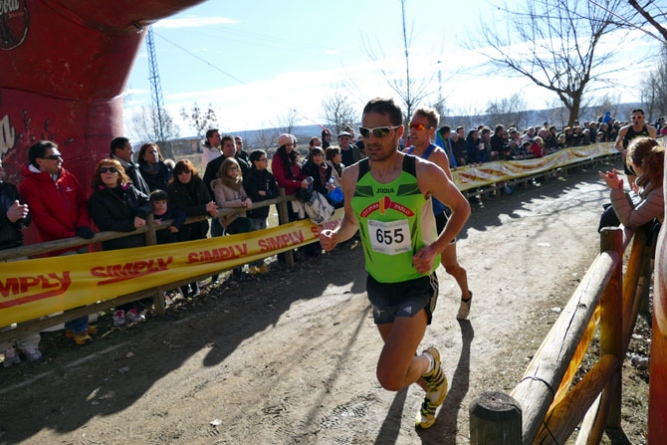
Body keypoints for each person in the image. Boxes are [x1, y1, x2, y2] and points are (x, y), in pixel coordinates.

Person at [319, 97, 471, 430]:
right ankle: (434, 387)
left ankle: (430, 363)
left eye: (381, 132)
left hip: (416, 282)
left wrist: (435, 248)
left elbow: (462, 208)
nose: (371, 139)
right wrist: (334, 235)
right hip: (378, 285)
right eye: (365, 132)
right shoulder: (352, 176)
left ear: (399, 132)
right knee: (400, 366)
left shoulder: (422, 171)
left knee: (389, 376)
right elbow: (350, 222)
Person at [18, 141, 96, 346]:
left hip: (79, 238)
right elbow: (41, 217)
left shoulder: (67, 176)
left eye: (59, 155)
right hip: (58, 244)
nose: (60, 159)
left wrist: (82, 226)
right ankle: (80, 329)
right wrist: (69, 236)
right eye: (54, 157)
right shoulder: (28, 185)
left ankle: (73, 326)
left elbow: (81, 203)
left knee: (81, 283)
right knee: (75, 286)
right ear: (40, 161)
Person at [405, 107, 473, 320]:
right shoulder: (406, 154)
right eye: (411, 125)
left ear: (431, 131)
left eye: (418, 126)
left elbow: (450, 195)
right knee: (415, 267)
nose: (412, 130)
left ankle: (466, 295)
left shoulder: (436, 155)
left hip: (437, 219)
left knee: (450, 267)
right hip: (415, 221)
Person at [88, 158, 152, 326]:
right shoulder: (97, 198)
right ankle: (120, 310)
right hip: (115, 246)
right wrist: (132, 225)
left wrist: (140, 214)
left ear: (119, 173)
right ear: (99, 175)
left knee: (137, 277)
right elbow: (106, 224)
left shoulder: (129, 189)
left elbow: (147, 201)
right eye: (103, 170)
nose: (108, 173)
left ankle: (135, 308)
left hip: (136, 243)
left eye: (112, 169)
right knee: (121, 280)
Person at [1, 158, 40, 365]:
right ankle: (7, 348)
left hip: (17, 251)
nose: (0, 168)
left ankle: (29, 344)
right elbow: (7, 218)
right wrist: (6, 218)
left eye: (0, 164)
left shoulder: (9, 188)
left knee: (26, 300)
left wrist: (23, 217)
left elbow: (23, 222)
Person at [167, 159, 218, 296]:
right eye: (180, 173)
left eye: (186, 171)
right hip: (183, 231)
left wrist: (211, 210)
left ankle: (199, 285)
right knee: (185, 260)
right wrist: (204, 208)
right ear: (176, 174)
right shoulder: (172, 188)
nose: (184, 175)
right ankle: (187, 289)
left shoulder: (199, 183)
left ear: (191, 171)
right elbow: (182, 209)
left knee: (200, 258)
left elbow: (208, 201)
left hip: (200, 228)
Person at [599, 137, 664, 231]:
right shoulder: (659, 179)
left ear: (635, 165)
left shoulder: (658, 190)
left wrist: (615, 190)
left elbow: (629, 221)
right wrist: (643, 193)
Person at [211, 157, 253, 279]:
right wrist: (240, 203)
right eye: (230, 169)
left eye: (235, 168)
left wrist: (248, 199)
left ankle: (238, 270)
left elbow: (244, 196)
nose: (233, 171)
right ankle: (236, 269)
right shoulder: (219, 184)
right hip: (228, 219)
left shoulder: (238, 182)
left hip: (241, 215)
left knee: (239, 244)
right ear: (225, 169)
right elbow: (221, 203)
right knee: (246, 225)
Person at [243, 149, 279, 274]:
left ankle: (254, 265)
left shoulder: (268, 176)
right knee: (255, 240)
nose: (266, 161)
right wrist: (263, 195)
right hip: (253, 215)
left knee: (261, 240)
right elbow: (254, 195)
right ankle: (258, 264)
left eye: (266, 158)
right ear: (255, 162)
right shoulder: (249, 177)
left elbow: (276, 192)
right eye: (263, 159)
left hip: (264, 214)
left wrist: (266, 193)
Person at [615, 109, 657, 186]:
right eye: (634, 118)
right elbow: (616, 145)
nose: (636, 119)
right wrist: (624, 151)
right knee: (633, 185)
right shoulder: (624, 130)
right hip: (630, 159)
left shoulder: (651, 130)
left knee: (645, 184)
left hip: (644, 159)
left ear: (643, 117)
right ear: (631, 118)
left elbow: (654, 145)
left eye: (639, 117)